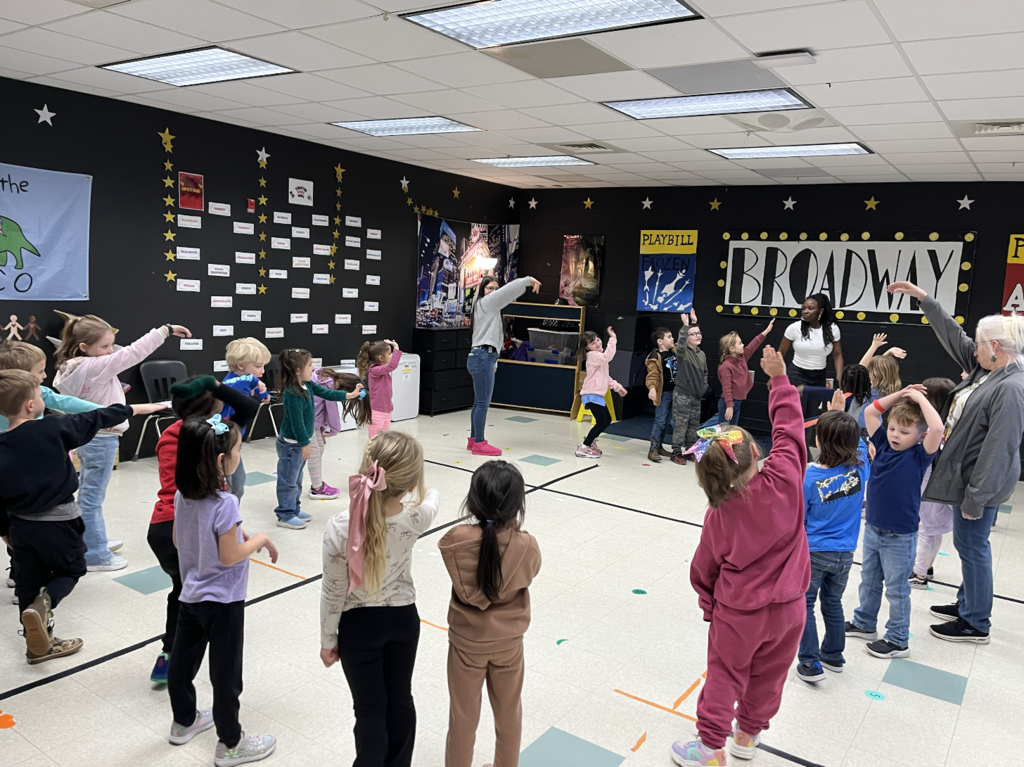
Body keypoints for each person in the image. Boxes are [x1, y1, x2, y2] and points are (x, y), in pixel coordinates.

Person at [671, 346, 809, 767]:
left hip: (738, 612)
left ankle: (710, 747)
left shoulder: (720, 513)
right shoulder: (785, 476)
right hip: (790, 609)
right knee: (769, 677)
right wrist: (779, 379)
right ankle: (746, 739)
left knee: (726, 675)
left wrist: (709, 603)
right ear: (756, 456)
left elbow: (704, 570)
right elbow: (790, 431)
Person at [889, 281, 1024, 643]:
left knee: (973, 547)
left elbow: (1000, 448)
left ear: (995, 347)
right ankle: (968, 603)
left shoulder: (1010, 387)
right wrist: (924, 300)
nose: (974, 350)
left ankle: (976, 621)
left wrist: (976, 497)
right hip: (967, 480)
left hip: (980, 486)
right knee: (970, 546)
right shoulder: (988, 370)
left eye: (980, 345)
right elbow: (955, 337)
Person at [0, 369, 165, 663]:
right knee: (70, 570)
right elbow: (96, 417)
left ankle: (36, 644)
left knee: (28, 580)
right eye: (40, 394)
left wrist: (4, 531)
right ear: (29, 405)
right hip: (58, 521)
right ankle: (44, 604)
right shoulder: (51, 427)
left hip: (19, 526)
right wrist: (136, 408)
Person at [319, 431, 439, 767]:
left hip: (358, 626)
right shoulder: (416, 518)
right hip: (403, 621)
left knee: (369, 708)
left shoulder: (339, 527)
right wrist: (428, 488)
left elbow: (332, 591)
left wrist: (328, 639)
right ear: (411, 481)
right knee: (400, 699)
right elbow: (432, 502)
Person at [166, 416, 278, 766]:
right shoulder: (225, 503)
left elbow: (179, 539)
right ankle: (231, 743)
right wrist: (259, 538)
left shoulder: (184, 495)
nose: (239, 455)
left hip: (191, 595)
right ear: (220, 461)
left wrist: (236, 532)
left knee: (182, 663)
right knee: (226, 674)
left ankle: (183, 722)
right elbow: (229, 556)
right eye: (238, 449)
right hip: (224, 601)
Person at [53, 314, 192, 571]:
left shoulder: (70, 366)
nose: (109, 351)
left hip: (87, 435)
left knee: (87, 493)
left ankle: (93, 541)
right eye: (104, 346)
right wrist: (165, 329)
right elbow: (132, 353)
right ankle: (95, 555)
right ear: (83, 347)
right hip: (101, 438)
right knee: (91, 497)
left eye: (111, 345)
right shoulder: (94, 366)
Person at [147, 375, 260, 685]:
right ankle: (186, 667)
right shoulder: (213, 435)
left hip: (164, 526)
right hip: (196, 523)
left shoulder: (171, 433)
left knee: (183, 592)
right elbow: (248, 406)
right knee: (203, 607)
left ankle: (168, 656)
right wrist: (213, 383)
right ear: (212, 408)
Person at [438, 460, 541, 767]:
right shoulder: (528, 545)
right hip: (509, 642)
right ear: (517, 504)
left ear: (473, 500)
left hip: (466, 642)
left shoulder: (457, 540)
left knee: (463, 717)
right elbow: (530, 572)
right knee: (510, 713)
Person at [0, 340, 100, 606]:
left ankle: (24, 580)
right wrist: (103, 414)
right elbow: (66, 404)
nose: (45, 377)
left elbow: (64, 401)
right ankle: (32, 582)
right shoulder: (33, 399)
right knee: (43, 541)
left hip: (15, 491)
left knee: (18, 532)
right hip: (38, 484)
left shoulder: (30, 394)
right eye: (40, 371)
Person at [845, 385, 942, 659]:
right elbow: (870, 411)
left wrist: (920, 398)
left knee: (897, 590)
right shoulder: (884, 444)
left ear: (919, 436)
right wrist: (901, 394)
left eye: (904, 431)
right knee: (869, 580)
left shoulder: (919, 455)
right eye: (893, 429)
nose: (896, 435)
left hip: (900, 535)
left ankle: (898, 639)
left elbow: (936, 428)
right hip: (874, 527)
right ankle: (864, 623)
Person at [797, 393, 870, 683]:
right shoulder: (860, 467)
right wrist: (845, 417)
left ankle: (810, 661)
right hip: (845, 555)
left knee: (805, 605)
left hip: (813, 553)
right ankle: (833, 655)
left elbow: (798, 521)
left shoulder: (809, 478)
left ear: (818, 442)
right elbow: (860, 444)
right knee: (833, 603)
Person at [275, 349, 364, 530]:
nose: (313, 368)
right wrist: (305, 444)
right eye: (309, 365)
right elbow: (297, 422)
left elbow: (327, 393)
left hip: (299, 444)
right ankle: (284, 514)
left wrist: (349, 395)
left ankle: (294, 508)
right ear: (297, 370)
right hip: (292, 445)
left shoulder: (307, 384)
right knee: (288, 481)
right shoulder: (292, 393)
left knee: (297, 480)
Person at [467, 274, 541, 457]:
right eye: (489, 288)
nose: (493, 292)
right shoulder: (487, 303)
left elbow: (494, 338)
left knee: (478, 402)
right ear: (482, 290)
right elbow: (507, 291)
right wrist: (527, 280)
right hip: (482, 356)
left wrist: (495, 361)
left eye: (495, 289)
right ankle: (479, 443)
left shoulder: (484, 307)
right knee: (483, 404)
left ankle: (473, 439)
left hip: (482, 356)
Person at [910, 377, 957, 589]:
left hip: (931, 484)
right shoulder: (952, 423)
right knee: (932, 529)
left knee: (926, 529)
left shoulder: (935, 428)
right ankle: (926, 566)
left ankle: (919, 573)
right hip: (938, 484)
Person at [220, 337, 272, 501]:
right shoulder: (232, 382)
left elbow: (257, 391)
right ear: (240, 366)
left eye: (263, 366)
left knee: (238, 487)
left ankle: (232, 523)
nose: (262, 371)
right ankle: (224, 525)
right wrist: (254, 380)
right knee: (225, 490)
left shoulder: (247, 382)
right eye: (257, 366)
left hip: (234, 443)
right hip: (221, 444)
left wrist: (263, 393)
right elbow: (236, 384)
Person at [309, 367, 371, 500]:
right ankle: (317, 488)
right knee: (314, 453)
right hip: (309, 422)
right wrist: (334, 430)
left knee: (318, 449)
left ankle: (317, 484)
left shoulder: (323, 378)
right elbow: (332, 412)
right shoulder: (329, 385)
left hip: (312, 422)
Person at [575, 327, 627, 458]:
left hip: (595, 395)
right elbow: (608, 356)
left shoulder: (599, 358)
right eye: (593, 343)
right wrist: (613, 339)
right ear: (588, 348)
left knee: (605, 420)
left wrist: (617, 387)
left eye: (598, 340)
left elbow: (605, 377)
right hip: (591, 395)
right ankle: (583, 448)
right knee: (602, 422)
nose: (598, 343)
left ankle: (589, 441)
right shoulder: (594, 356)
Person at [712, 319, 774, 428]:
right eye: (740, 343)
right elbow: (727, 388)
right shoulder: (726, 366)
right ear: (732, 348)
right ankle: (705, 432)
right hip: (728, 403)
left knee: (732, 430)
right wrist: (730, 406)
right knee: (724, 431)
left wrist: (766, 331)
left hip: (737, 402)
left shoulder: (742, 357)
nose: (743, 345)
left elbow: (753, 345)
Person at [777, 293, 844, 390]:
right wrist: (775, 376)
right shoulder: (794, 328)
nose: (805, 311)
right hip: (797, 373)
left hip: (819, 375)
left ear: (820, 311)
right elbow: (781, 352)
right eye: (803, 308)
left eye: (810, 308)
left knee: (813, 405)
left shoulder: (832, 329)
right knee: (799, 404)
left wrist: (840, 375)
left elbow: (837, 354)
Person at [671, 309, 707, 466]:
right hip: (683, 394)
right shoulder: (683, 352)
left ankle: (691, 450)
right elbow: (681, 341)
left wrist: (703, 387)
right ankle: (676, 451)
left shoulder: (702, 354)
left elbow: (705, 373)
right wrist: (686, 326)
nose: (698, 336)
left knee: (694, 425)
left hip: (696, 395)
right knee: (681, 424)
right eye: (694, 334)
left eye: (699, 333)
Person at [357, 339, 402, 440]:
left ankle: (380, 456)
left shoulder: (382, 371)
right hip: (377, 412)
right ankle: (372, 456)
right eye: (390, 354)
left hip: (386, 411)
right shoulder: (374, 370)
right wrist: (396, 348)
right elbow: (392, 366)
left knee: (383, 440)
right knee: (374, 440)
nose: (391, 356)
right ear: (381, 357)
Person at [645, 326, 677, 463]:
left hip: (674, 392)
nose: (672, 339)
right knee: (660, 421)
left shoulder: (673, 352)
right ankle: (653, 449)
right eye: (669, 337)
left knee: (667, 420)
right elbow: (652, 375)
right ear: (660, 341)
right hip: (663, 393)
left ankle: (660, 446)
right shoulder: (654, 357)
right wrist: (652, 388)